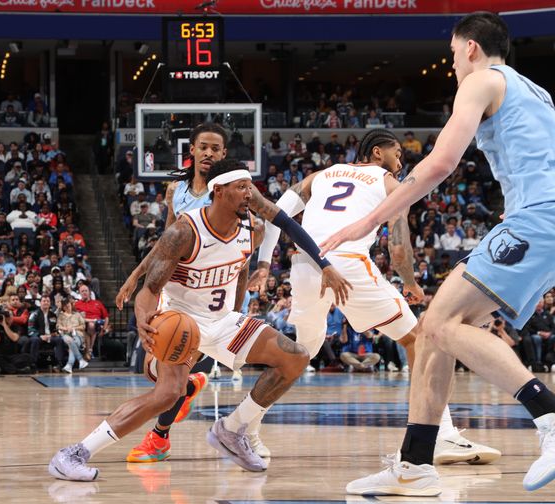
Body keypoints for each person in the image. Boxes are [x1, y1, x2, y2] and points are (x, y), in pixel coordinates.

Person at [320, 12, 555, 495]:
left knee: (444, 323)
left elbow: (442, 162)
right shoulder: (538, 93)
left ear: (469, 47)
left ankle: (549, 417)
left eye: (451, 54)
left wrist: (369, 219)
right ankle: (415, 464)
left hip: (538, 217)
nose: (451, 64)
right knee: (434, 331)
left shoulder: (481, 79)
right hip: (542, 219)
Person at [49, 159, 338, 481]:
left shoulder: (252, 229)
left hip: (223, 319)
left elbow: (241, 266)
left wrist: (238, 308)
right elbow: (150, 290)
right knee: (168, 394)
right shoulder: (184, 231)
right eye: (241, 187)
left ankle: (231, 430)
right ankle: (74, 453)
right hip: (180, 318)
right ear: (219, 191)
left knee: (296, 358)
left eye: (250, 187)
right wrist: (144, 319)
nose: (250, 194)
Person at [250, 128, 498, 463]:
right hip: (347, 268)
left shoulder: (320, 176)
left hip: (306, 267)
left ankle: (242, 424)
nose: (401, 162)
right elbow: (397, 249)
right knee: (421, 339)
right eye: (398, 154)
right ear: (378, 153)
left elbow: (273, 215)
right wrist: (410, 283)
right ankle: (439, 435)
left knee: (300, 354)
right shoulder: (390, 184)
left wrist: (264, 262)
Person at [115, 123, 351, 465]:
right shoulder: (176, 190)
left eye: (216, 148)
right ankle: (185, 399)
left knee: (178, 371)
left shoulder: (240, 188)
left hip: (223, 287)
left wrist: (323, 263)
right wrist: (135, 278)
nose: (209, 153)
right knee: (157, 371)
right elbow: (164, 244)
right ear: (191, 151)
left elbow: (285, 223)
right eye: (203, 147)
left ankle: (160, 437)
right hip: (180, 288)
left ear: (224, 155)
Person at [28, 295, 65, 370]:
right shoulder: (34, 314)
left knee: (59, 339)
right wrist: (39, 335)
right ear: (40, 303)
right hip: (39, 337)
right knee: (35, 340)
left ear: (50, 303)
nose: (46, 303)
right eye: (44, 301)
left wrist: (55, 333)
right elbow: (30, 329)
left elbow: (55, 328)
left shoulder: (53, 315)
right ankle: (33, 364)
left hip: (50, 337)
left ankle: (58, 363)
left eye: (47, 301)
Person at [56, 296, 87, 373]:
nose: (67, 306)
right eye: (65, 305)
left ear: (71, 304)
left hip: (77, 335)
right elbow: (58, 326)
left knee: (74, 343)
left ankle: (69, 366)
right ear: (63, 306)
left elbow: (83, 326)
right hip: (66, 334)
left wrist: (74, 328)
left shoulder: (77, 315)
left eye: (68, 304)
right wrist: (66, 328)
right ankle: (80, 360)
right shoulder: (61, 315)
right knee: (70, 341)